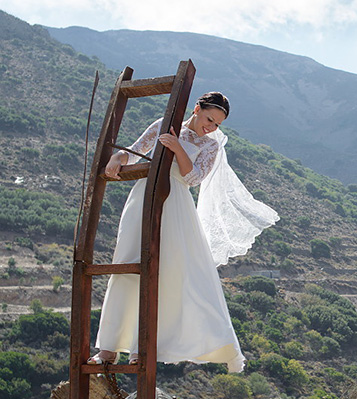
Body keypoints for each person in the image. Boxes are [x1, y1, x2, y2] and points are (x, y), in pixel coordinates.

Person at [87, 92, 279, 370]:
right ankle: (107, 350)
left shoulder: (210, 146)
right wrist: (118, 157)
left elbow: (193, 178)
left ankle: (144, 348)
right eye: (209, 119)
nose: (211, 127)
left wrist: (177, 148)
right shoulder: (162, 124)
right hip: (142, 197)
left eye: (217, 125)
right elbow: (136, 149)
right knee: (126, 267)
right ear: (197, 109)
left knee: (166, 274)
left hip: (175, 204)